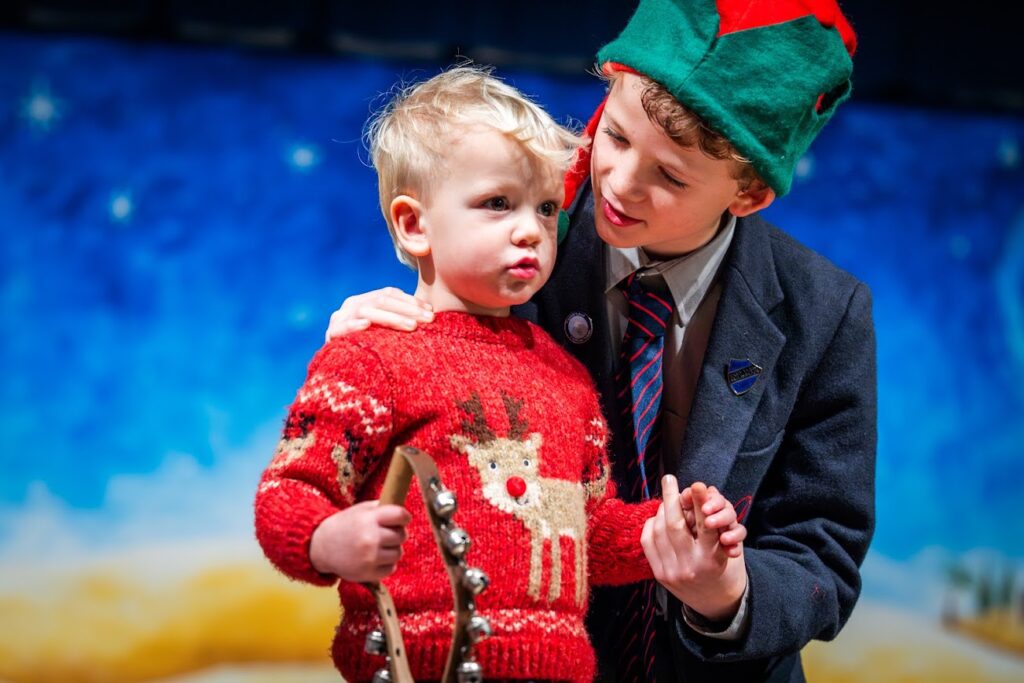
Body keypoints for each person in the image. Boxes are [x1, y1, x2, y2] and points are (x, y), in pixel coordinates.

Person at [324, 1, 877, 681]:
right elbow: (413, 445)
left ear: (750, 194)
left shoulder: (827, 313)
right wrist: (369, 357)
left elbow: (823, 553)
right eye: (614, 136)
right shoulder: (516, 235)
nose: (618, 181)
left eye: (670, 175)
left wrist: (728, 595)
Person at [254, 64, 747, 683]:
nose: (531, 231)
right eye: (497, 204)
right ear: (414, 224)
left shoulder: (566, 379)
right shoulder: (371, 357)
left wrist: (667, 529)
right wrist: (324, 540)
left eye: (546, 208)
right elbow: (288, 491)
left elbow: (586, 530)